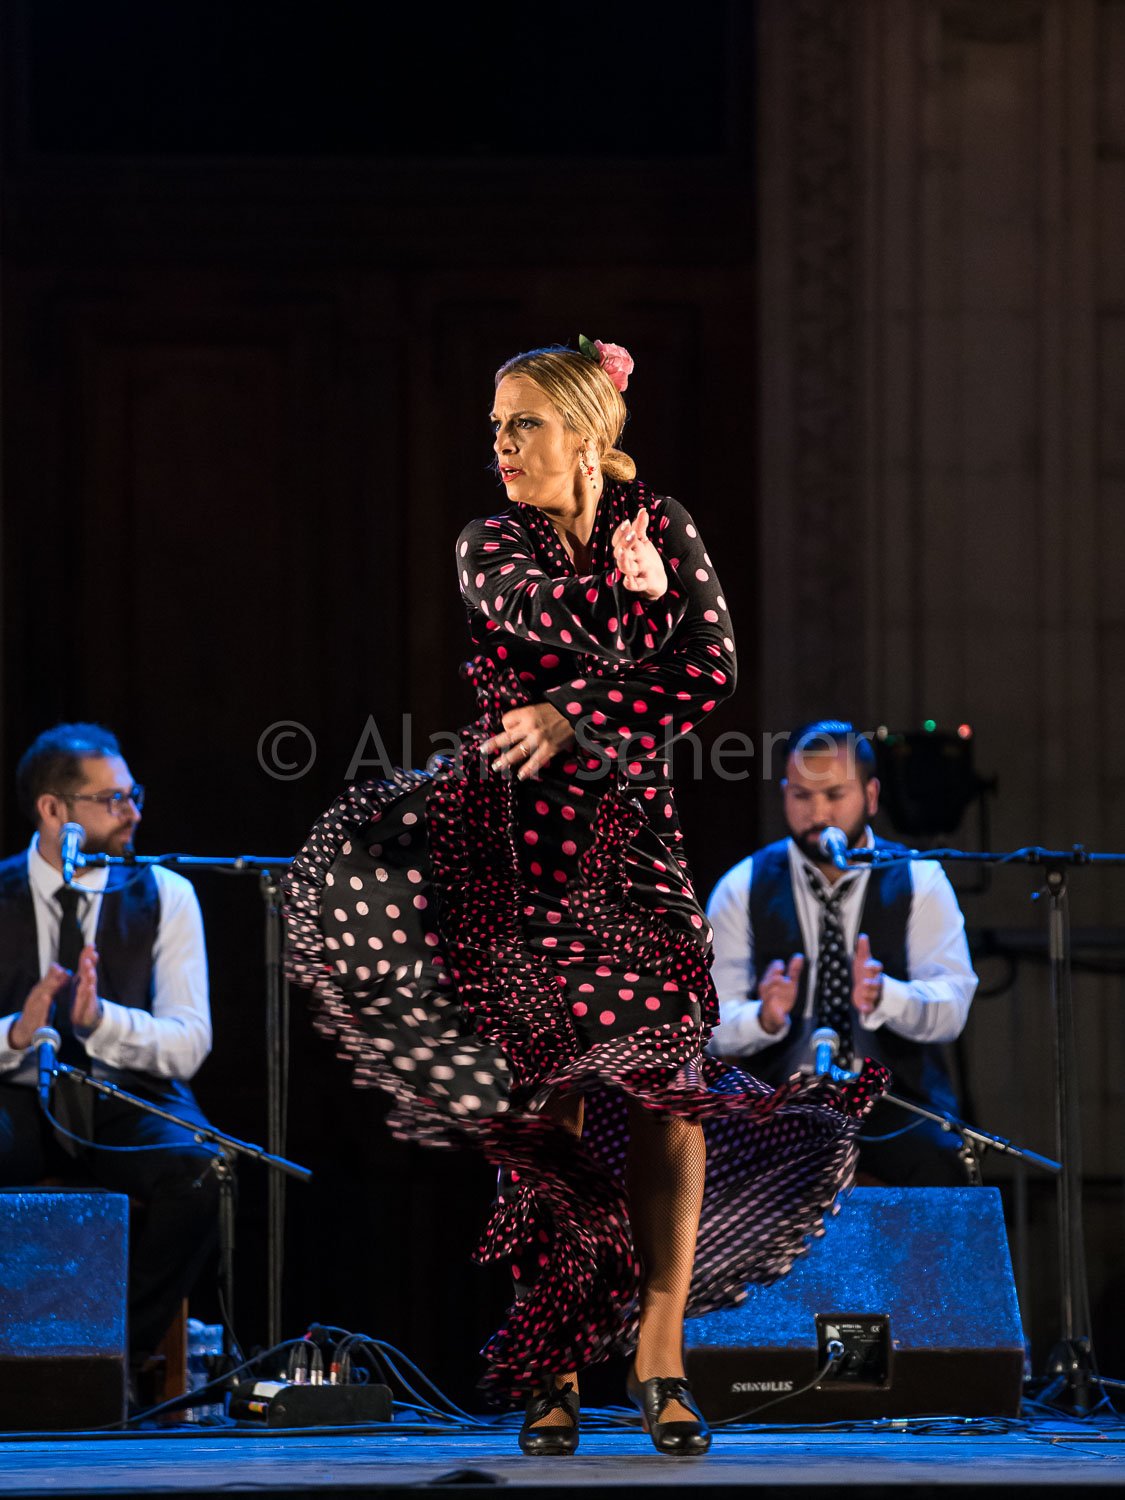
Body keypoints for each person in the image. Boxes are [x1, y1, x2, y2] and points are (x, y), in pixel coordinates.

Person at [284, 342, 885, 1457]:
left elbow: (711, 668)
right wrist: (629, 609)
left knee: (670, 1088)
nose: (502, 445)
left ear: (586, 435)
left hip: (636, 847)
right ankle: (553, 1360)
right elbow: (549, 618)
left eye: (523, 423)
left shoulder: (663, 524)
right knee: (544, 1103)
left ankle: (659, 1352)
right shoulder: (491, 542)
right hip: (516, 854)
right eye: (495, 426)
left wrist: (579, 715)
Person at [0, 723, 220, 1377]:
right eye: (112, 799)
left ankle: (112, 1361)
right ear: (52, 810)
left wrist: (103, 1022)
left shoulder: (167, 894)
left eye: (132, 795)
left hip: (125, 1093)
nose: (133, 812)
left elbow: (190, 1041)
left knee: (201, 1175)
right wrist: (15, 1033)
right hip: (15, 1090)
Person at [707, 720, 979, 1186]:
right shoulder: (741, 885)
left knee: (938, 1162)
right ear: (785, 795)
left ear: (870, 797)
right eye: (802, 796)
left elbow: (952, 1007)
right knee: (712, 1165)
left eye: (834, 795)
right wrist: (762, 1019)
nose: (818, 813)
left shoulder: (921, 879)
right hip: (777, 1104)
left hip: (895, 1103)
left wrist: (886, 996)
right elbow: (708, 1025)